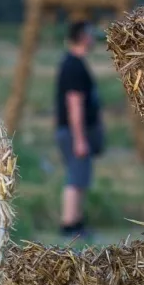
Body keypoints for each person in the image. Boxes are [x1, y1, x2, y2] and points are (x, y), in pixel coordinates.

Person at [55, 20, 104, 239]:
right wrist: (80, 139)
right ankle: (69, 225)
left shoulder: (75, 63)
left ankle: (77, 221)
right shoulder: (73, 66)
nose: (93, 38)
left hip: (75, 132)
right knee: (75, 178)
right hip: (74, 133)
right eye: (90, 34)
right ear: (82, 36)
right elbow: (74, 104)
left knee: (80, 176)